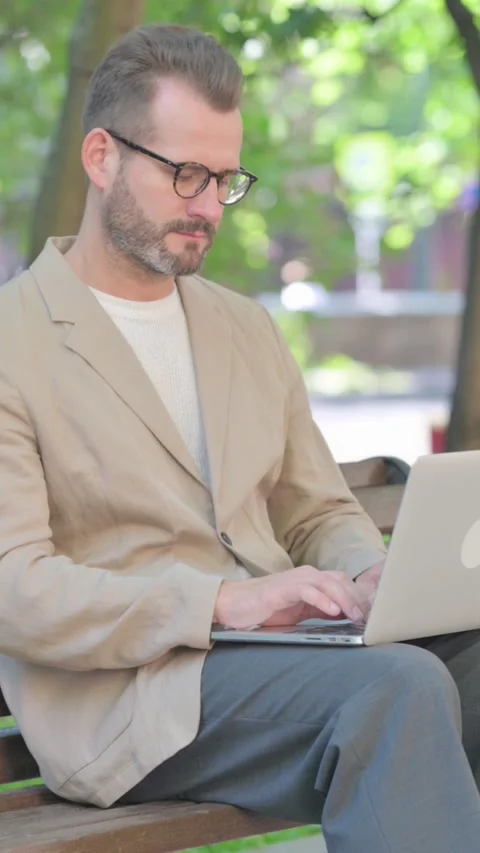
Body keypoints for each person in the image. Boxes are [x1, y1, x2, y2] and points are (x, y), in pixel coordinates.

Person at [0, 23, 479, 853]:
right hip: (133, 700)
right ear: (101, 156)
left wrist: (368, 575)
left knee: (466, 659)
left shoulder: (244, 328)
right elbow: (16, 588)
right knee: (395, 689)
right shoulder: (14, 342)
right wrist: (221, 601)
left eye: (225, 178)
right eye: (185, 172)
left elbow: (317, 509)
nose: (207, 204)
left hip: (281, 665)